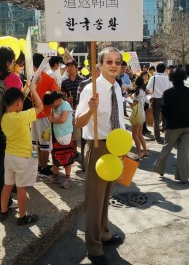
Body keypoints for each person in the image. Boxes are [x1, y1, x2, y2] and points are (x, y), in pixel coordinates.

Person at [75, 47, 125, 265]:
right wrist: (90, 110)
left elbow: (120, 120)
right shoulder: (91, 89)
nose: (114, 65)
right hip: (97, 148)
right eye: (109, 62)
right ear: (100, 65)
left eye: (117, 62)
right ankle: (94, 248)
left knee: (106, 198)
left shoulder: (118, 88)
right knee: (95, 200)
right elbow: (78, 122)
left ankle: (104, 234)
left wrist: (123, 149)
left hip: (116, 148)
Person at [0, 83, 43, 225]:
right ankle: (23, 216)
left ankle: (3, 211)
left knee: (7, 185)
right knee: (21, 188)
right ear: (19, 103)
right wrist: (33, 90)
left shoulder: (5, 118)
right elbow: (40, 107)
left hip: (9, 156)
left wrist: (25, 89)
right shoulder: (22, 117)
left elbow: (18, 102)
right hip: (23, 157)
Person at [153, 68, 189, 183]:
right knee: (183, 152)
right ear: (184, 78)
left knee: (167, 148)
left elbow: (165, 112)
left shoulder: (167, 93)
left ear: (171, 79)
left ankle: (160, 169)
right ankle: (183, 177)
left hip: (172, 125)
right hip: (188, 124)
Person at [0, 46, 22, 211]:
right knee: (3, 167)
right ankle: (4, 203)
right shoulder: (11, 79)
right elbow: (17, 107)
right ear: (8, 62)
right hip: (4, 130)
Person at [31, 53, 59, 177]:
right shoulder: (49, 79)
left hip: (31, 115)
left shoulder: (30, 79)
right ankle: (43, 166)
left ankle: (35, 165)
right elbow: (56, 95)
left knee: (34, 143)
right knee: (45, 144)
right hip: (45, 114)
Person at [42, 91, 73, 189]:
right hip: (55, 135)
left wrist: (52, 120)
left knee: (66, 155)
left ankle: (68, 178)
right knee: (55, 155)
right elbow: (53, 118)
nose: (50, 107)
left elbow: (63, 119)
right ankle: (56, 176)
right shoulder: (55, 107)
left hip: (65, 135)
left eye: (51, 104)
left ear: (56, 100)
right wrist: (51, 119)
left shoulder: (65, 105)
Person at [61, 59, 85, 159]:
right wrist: (67, 99)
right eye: (68, 66)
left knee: (79, 133)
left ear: (76, 67)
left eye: (72, 66)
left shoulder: (82, 80)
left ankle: (79, 151)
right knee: (70, 132)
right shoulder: (65, 82)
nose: (70, 68)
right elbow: (62, 96)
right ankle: (72, 151)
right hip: (69, 110)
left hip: (80, 110)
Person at [146, 63, 172, 144]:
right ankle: (167, 134)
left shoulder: (153, 78)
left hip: (156, 100)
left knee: (156, 119)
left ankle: (157, 138)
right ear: (164, 69)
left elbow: (148, 88)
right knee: (166, 118)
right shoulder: (168, 78)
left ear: (157, 69)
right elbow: (171, 89)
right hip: (166, 100)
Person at [130, 76, 149, 159]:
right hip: (142, 114)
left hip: (137, 115)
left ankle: (139, 153)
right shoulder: (143, 92)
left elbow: (134, 104)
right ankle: (145, 151)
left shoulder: (136, 93)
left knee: (135, 135)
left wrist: (128, 102)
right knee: (140, 134)